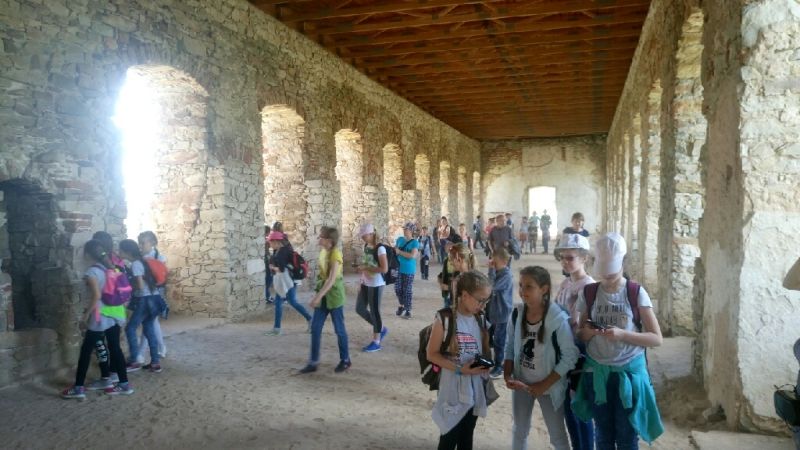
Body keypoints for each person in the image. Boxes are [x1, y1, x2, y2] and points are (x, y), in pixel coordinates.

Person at [573, 232, 664, 448]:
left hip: (628, 374)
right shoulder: (589, 293)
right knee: (603, 434)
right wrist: (589, 332)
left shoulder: (635, 293)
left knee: (626, 436)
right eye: (604, 272)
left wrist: (622, 334)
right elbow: (580, 333)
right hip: (597, 373)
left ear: (623, 262)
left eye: (612, 272)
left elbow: (656, 338)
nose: (607, 277)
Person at [504, 266, 579, 450]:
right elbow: (509, 347)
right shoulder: (517, 314)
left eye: (529, 286)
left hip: (550, 387)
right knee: (519, 430)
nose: (522, 291)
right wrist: (508, 374)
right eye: (520, 285)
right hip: (521, 383)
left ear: (544, 289)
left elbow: (570, 356)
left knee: (557, 436)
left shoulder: (557, 318)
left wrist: (544, 385)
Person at [427, 270, 493, 450]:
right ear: (464, 295)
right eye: (480, 300)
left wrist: (485, 365)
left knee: (467, 436)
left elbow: (481, 350)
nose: (483, 305)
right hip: (452, 392)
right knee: (448, 438)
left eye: (486, 301)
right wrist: (460, 369)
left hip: (475, 389)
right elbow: (432, 354)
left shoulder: (480, 319)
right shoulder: (445, 319)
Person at [62, 239, 133, 399]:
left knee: (86, 350)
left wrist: (86, 315)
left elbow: (96, 295)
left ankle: (78, 387)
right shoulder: (111, 268)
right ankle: (124, 384)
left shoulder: (92, 272)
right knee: (115, 348)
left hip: (100, 316)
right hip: (115, 312)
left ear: (88, 255)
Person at [553, 234, 595, 449]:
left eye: (570, 258)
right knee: (568, 407)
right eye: (562, 257)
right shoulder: (566, 283)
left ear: (584, 258)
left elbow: (580, 324)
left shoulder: (589, 287)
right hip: (563, 350)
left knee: (580, 406)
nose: (565, 262)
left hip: (579, 352)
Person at [300, 226, 351, 374]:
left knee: (339, 330)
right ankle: (313, 361)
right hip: (323, 296)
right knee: (315, 328)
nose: (319, 238)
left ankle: (345, 360)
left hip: (334, 297)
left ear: (329, 240)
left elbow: (331, 280)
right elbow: (323, 275)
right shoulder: (323, 252)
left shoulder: (336, 255)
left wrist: (317, 297)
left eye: (321, 237)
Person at [119, 239, 165, 373]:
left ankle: (134, 361)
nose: (118, 252)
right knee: (149, 329)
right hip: (155, 298)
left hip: (145, 299)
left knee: (130, 328)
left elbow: (139, 286)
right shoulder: (144, 261)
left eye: (120, 250)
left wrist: (127, 288)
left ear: (127, 252)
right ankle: (155, 363)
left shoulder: (136, 264)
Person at [265, 230, 312, 336]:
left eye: (270, 242)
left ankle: (277, 329)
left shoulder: (282, 252)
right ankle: (277, 328)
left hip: (288, 281)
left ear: (276, 241)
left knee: (287, 302)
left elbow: (281, 269)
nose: (269, 244)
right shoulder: (283, 249)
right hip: (288, 281)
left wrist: (272, 267)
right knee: (289, 302)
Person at [355, 223, 389, 352]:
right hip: (366, 282)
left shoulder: (380, 248)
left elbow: (384, 269)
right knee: (360, 309)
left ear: (371, 234)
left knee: (375, 312)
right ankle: (381, 328)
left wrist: (366, 268)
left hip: (376, 284)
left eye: (364, 235)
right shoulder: (366, 246)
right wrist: (361, 275)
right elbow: (367, 262)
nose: (362, 237)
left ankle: (376, 341)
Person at [136, 231, 167, 362]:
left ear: (152, 243)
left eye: (143, 243)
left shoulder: (160, 258)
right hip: (148, 294)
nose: (140, 246)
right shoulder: (141, 258)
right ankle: (162, 347)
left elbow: (161, 277)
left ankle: (140, 353)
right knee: (152, 322)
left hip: (153, 294)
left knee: (148, 322)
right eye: (139, 243)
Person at [487, 248, 513, 379]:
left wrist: (491, 270)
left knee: (500, 341)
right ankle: (496, 362)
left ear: (503, 261)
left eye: (495, 261)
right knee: (494, 339)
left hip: (503, 313)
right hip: (495, 312)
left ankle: (500, 367)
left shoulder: (506, 275)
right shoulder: (498, 272)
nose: (492, 263)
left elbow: (490, 287)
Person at [394, 222, 420, 319]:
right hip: (398, 268)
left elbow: (412, 256)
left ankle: (408, 310)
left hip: (409, 269)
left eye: (406, 229)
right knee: (397, 289)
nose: (404, 230)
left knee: (407, 290)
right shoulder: (400, 239)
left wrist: (399, 252)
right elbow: (395, 251)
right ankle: (402, 305)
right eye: (404, 228)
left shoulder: (415, 243)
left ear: (411, 231)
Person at [264, 224, 274, 304]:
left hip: (267, 261)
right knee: (269, 279)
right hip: (266, 262)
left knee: (268, 280)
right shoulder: (265, 241)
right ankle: (267, 297)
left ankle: (267, 296)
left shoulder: (265, 240)